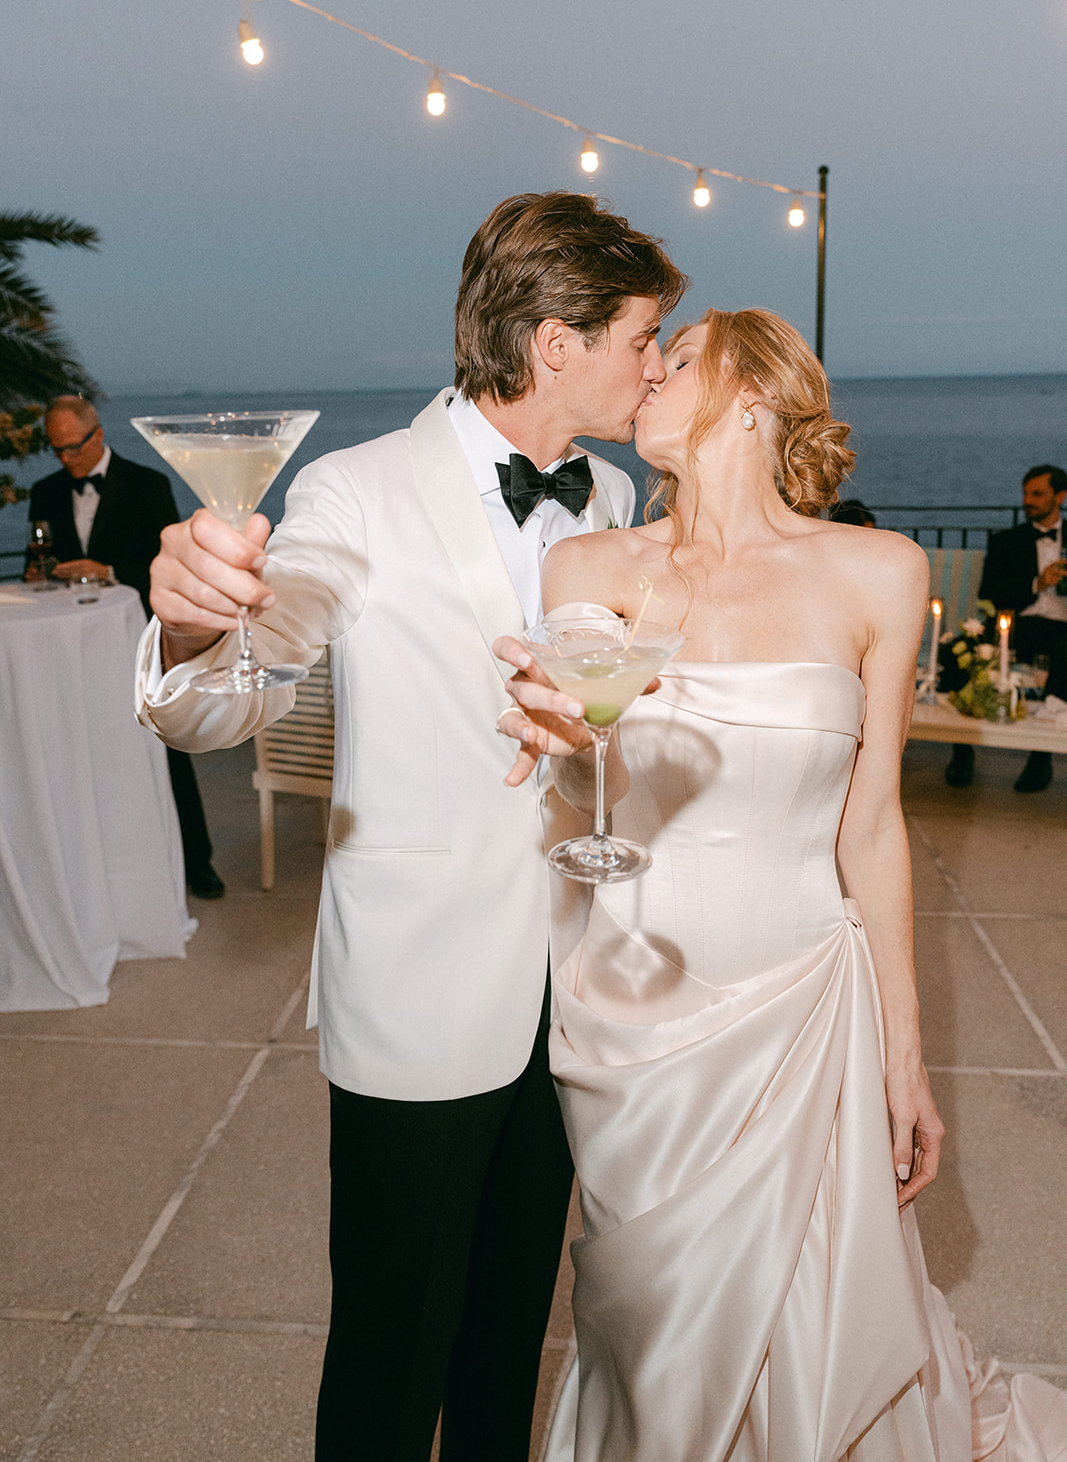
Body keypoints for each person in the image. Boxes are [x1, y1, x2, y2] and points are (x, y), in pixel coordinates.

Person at [133, 191, 688, 1462]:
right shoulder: (353, 489)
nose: (655, 365)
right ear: (558, 341)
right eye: (643, 336)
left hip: (576, 991)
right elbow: (229, 697)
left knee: (509, 1338)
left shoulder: (608, 497)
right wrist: (191, 622)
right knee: (391, 1349)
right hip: (418, 983)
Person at [495, 309, 1067, 1459]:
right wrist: (556, 739)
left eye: (679, 353)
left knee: (819, 1314)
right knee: (652, 1313)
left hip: (805, 997)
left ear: (754, 390)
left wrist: (903, 1049)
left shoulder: (876, 570)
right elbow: (574, 770)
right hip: (631, 1005)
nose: (646, 366)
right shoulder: (588, 564)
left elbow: (869, 823)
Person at [26, 395, 224, 900]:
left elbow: (165, 573)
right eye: (57, 450)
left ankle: (196, 862)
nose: (66, 460)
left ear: (97, 435)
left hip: (135, 638)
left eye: (73, 448)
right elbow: (40, 558)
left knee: (164, 746)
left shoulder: (147, 485)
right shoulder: (45, 492)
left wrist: (107, 571)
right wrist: (39, 570)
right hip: (72, 646)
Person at [945, 465, 1067, 794]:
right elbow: (990, 593)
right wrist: (1036, 583)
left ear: (1061, 496)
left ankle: (1041, 759)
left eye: (1037, 494)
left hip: (1062, 629)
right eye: (1025, 494)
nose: (1027, 501)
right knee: (957, 650)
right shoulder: (1007, 542)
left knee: (1065, 652)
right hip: (1017, 625)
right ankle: (961, 749)